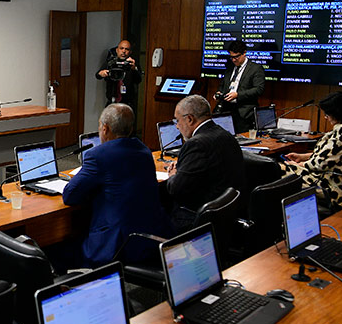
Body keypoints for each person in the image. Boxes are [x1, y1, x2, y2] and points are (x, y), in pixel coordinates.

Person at [63, 104, 172, 266]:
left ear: (105, 128)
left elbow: (70, 196)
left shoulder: (98, 155)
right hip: (148, 236)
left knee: (57, 249)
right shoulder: (144, 151)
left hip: (115, 244)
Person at [165, 94, 245, 231]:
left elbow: (176, 189)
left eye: (177, 121)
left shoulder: (196, 144)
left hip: (197, 219)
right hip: (226, 213)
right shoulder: (226, 135)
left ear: (189, 119)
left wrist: (173, 175)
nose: (177, 126)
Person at [281, 91, 342, 210]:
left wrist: (297, 164)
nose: (325, 117)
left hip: (330, 189)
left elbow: (319, 164)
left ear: (338, 113)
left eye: (327, 114)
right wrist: (303, 157)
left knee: (274, 169)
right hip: (328, 179)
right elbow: (332, 156)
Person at [215, 40, 265, 132]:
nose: (234, 60)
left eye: (236, 57)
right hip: (227, 110)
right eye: (231, 57)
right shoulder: (230, 67)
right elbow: (223, 85)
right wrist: (219, 92)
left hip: (244, 112)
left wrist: (238, 95)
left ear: (244, 53)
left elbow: (259, 89)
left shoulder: (255, 68)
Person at [95, 40, 142, 107]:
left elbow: (138, 80)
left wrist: (134, 69)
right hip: (112, 101)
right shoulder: (111, 62)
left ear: (130, 52)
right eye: (121, 48)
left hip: (127, 103)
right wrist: (101, 73)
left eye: (127, 49)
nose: (124, 51)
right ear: (117, 50)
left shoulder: (132, 64)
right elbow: (97, 75)